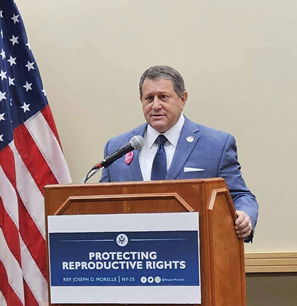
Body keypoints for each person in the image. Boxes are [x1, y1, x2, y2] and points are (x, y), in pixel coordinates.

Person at [100, 65, 258, 241]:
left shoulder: (216, 145)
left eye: (163, 97)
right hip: (132, 256)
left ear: (182, 99)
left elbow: (240, 195)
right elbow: (102, 204)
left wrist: (245, 216)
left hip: (194, 257)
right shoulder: (117, 147)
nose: (156, 105)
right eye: (149, 98)